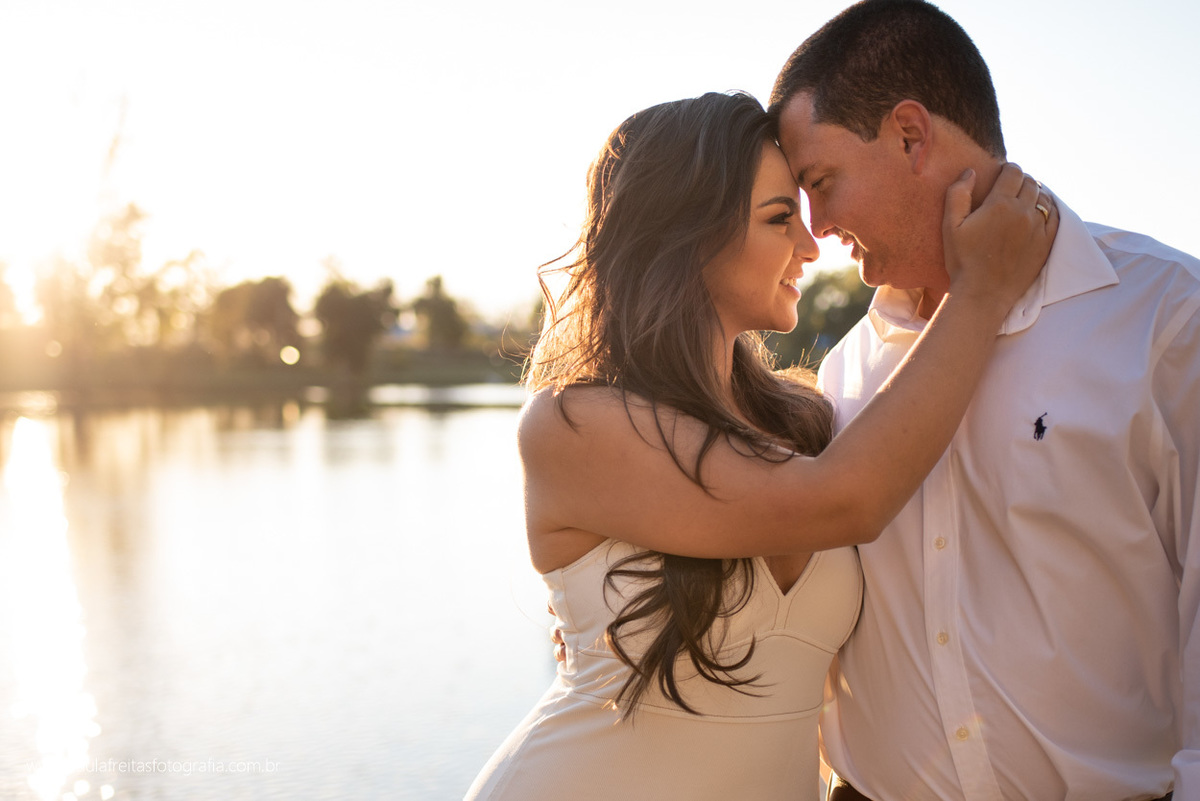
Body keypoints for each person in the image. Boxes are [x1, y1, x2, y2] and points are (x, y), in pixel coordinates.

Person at [465, 90, 1055, 800]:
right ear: (687, 232)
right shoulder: (572, 423)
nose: (811, 245)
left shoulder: (806, 421)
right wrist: (981, 291)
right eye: (780, 218)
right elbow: (847, 500)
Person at [766, 1, 1200, 799]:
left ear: (910, 135)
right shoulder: (845, 371)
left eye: (820, 183)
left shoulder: (1169, 317)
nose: (815, 227)